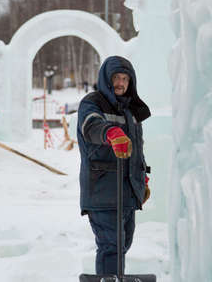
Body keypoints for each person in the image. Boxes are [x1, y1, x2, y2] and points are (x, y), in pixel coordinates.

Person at [77, 55, 151, 275]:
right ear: (106, 79)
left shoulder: (130, 112)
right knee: (112, 247)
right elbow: (91, 126)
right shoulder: (93, 103)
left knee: (123, 244)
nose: (120, 83)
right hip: (103, 191)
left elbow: (137, 151)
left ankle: (113, 278)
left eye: (125, 79)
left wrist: (142, 180)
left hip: (127, 191)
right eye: (116, 78)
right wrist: (111, 132)